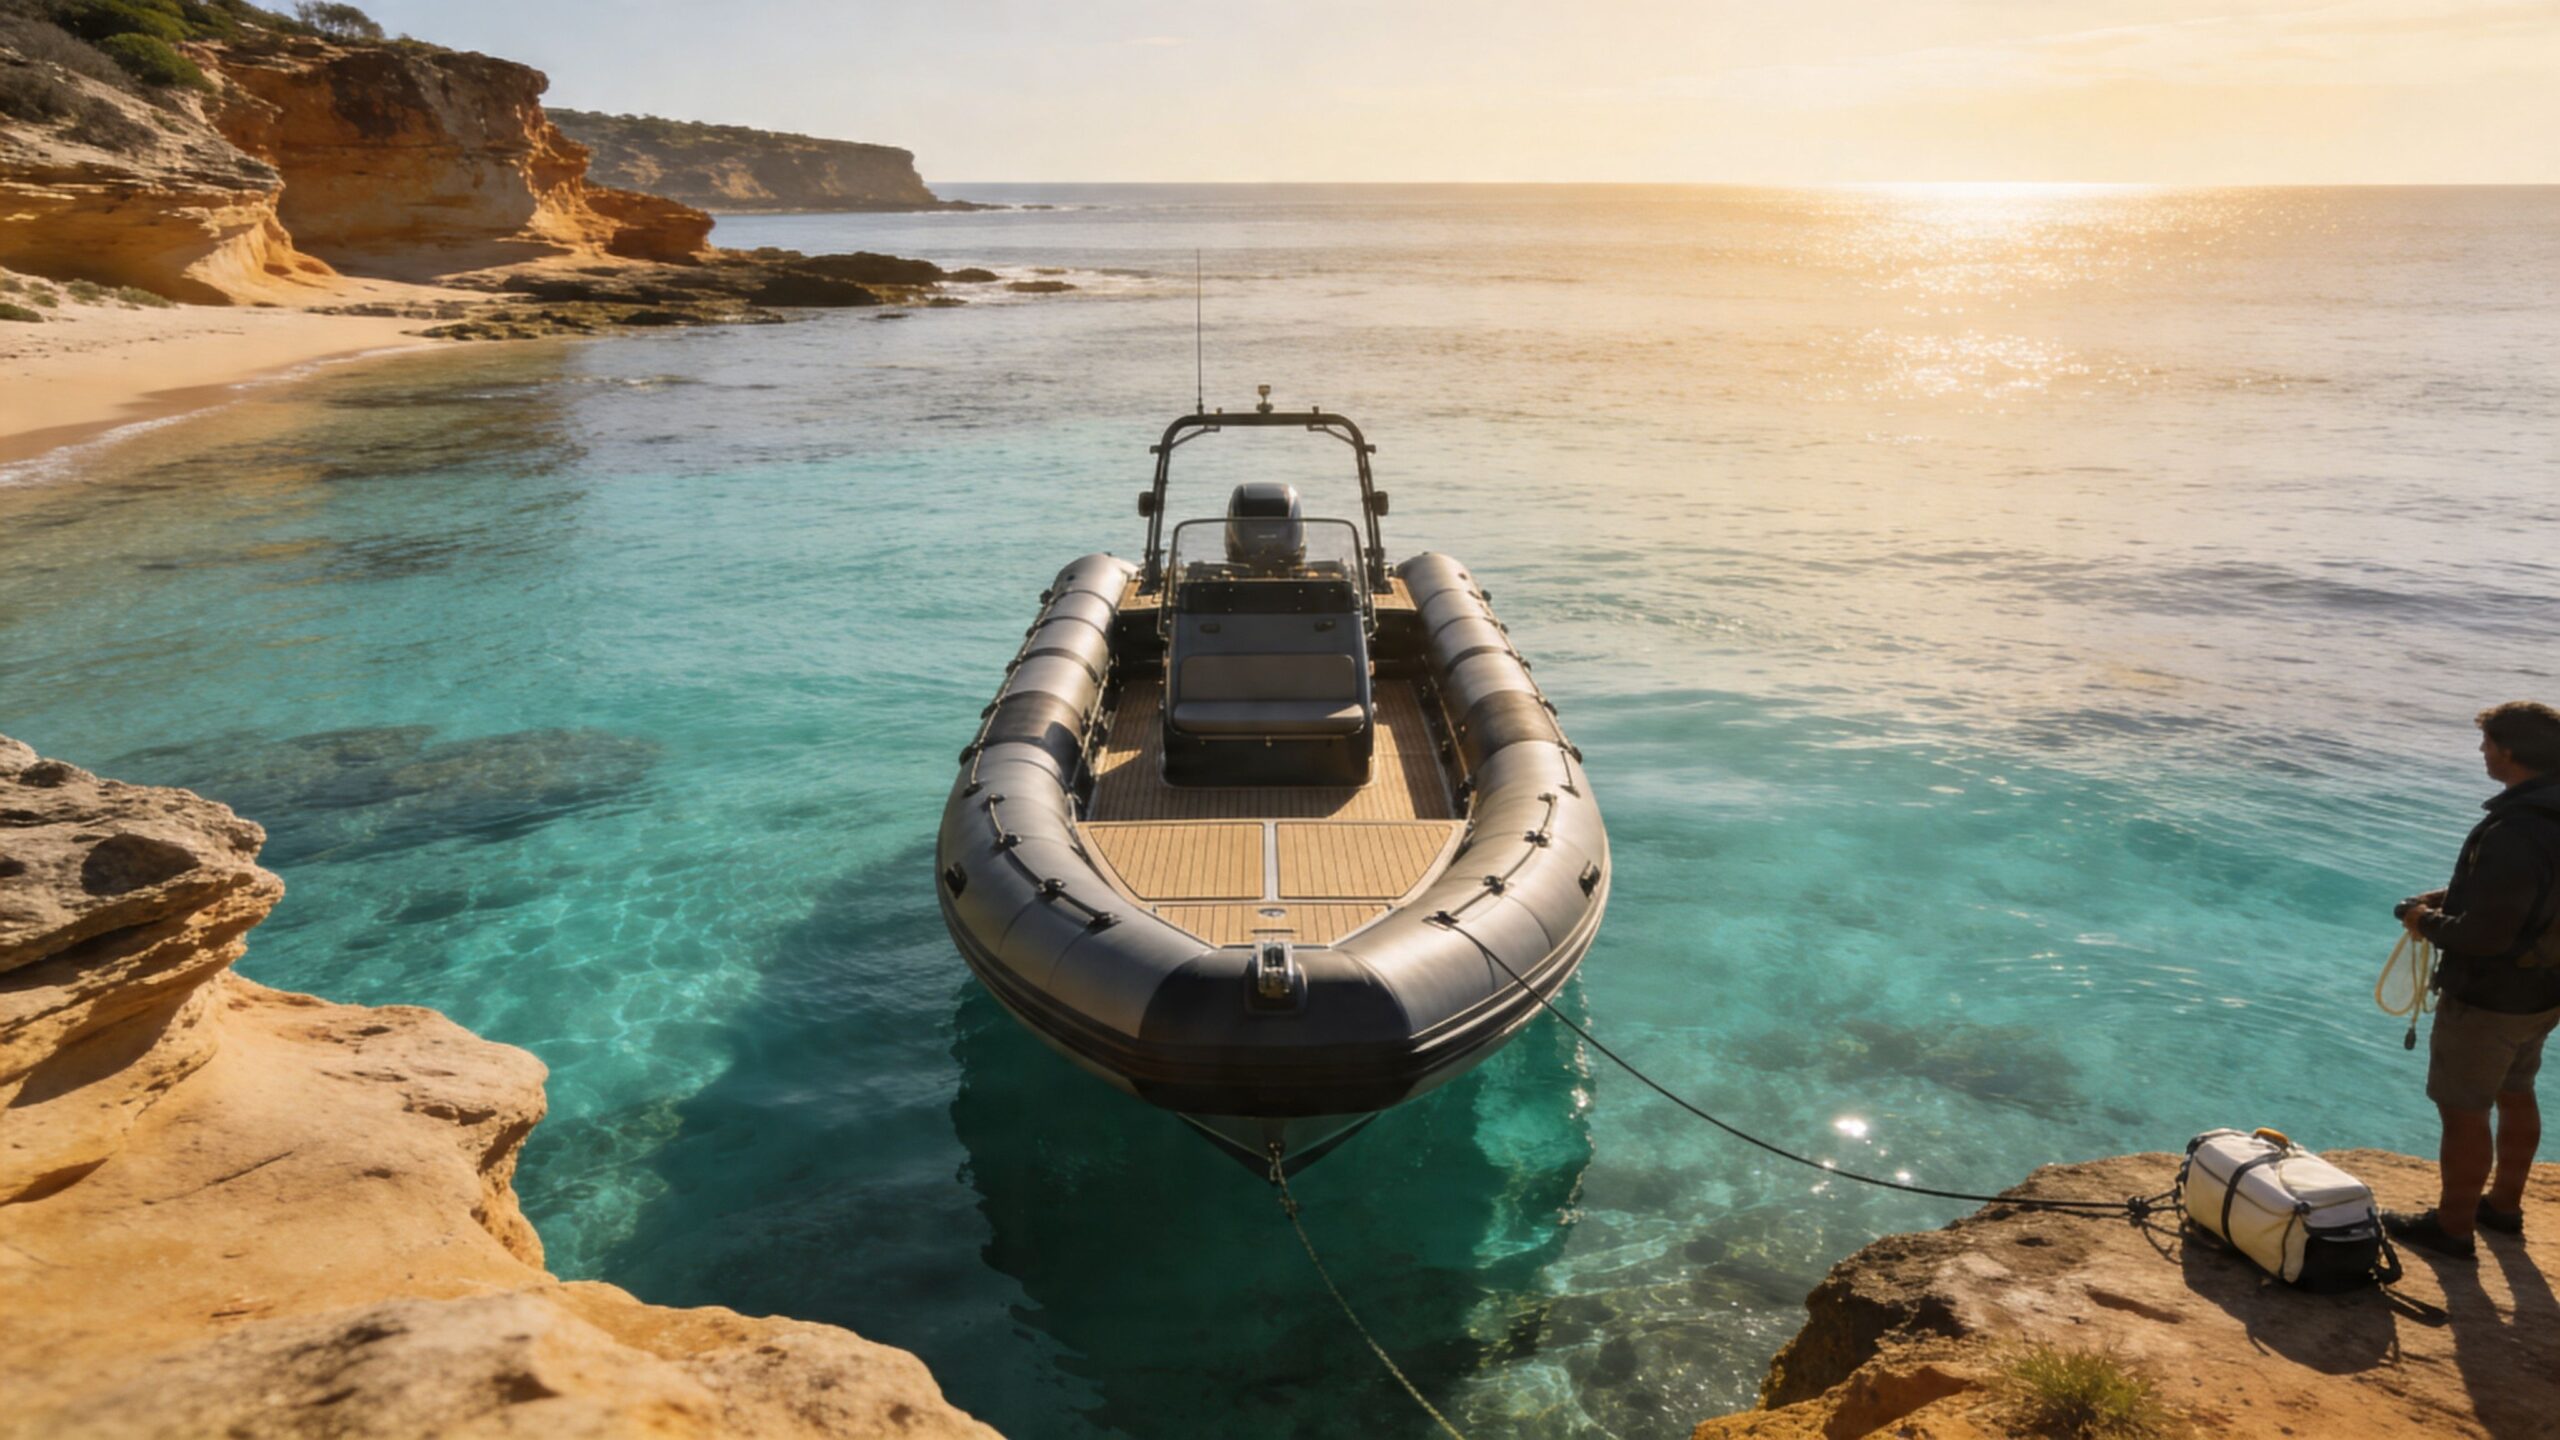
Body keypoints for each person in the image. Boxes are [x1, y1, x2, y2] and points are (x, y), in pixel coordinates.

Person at [2384, 701, 2560, 1259]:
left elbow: (2486, 937)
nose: (2482, 752)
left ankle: (2453, 1227)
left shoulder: (2514, 829)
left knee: (2464, 1110)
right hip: (2544, 991)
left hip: (2489, 997)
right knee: (2517, 1090)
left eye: (2486, 744)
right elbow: (2532, 898)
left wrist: (2423, 920)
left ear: (2507, 752)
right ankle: (2503, 1206)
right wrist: (2452, 899)